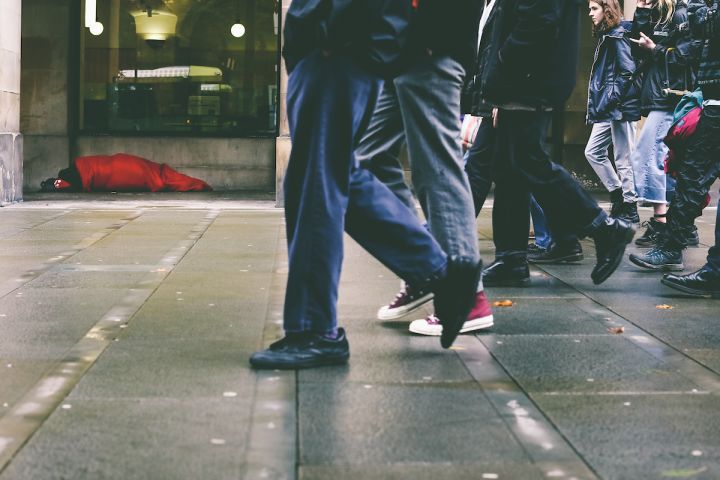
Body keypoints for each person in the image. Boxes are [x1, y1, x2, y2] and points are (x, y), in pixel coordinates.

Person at [249, 0, 483, 370]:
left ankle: (316, 329)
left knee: (320, 184)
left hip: (339, 42)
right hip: (337, 41)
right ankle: (437, 269)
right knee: (326, 176)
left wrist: (333, 30)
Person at [464, 0, 636, 289]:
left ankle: (604, 229)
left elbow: (537, 21)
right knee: (511, 167)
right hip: (525, 80)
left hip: (525, 82)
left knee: (527, 160)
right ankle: (511, 259)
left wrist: (502, 73)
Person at [356, 0, 494, 337]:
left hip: (433, 44)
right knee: (364, 160)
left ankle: (468, 295)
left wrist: (434, 32)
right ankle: (424, 269)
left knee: (437, 168)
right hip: (400, 52)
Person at [631, 0, 720, 297]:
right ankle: (683, 253)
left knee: (692, 176)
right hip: (711, 97)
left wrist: (700, 13)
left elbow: (701, 35)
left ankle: (679, 250)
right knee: (691, 177)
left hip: (716, 102)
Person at [628, 0, 702, 247]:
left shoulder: (681, 13)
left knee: (649, 157)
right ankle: (674, 223)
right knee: (661, 159)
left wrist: (655, 49)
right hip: (661, 94)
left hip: (670, 96)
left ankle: (663, 223)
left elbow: (685, 55)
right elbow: (637, 48)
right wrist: (642, 11)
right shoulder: (660, 13)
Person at [585, 0, 641, 224]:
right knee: (593, 151)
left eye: (594, 8)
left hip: (619, 107)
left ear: (607, 9)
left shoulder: (617, 35)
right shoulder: (607, 35)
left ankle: (630, 205)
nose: (590, 13)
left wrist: (612, 98)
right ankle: (618, 195)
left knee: (623, 158)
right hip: (609, 108)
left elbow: (627, 71)